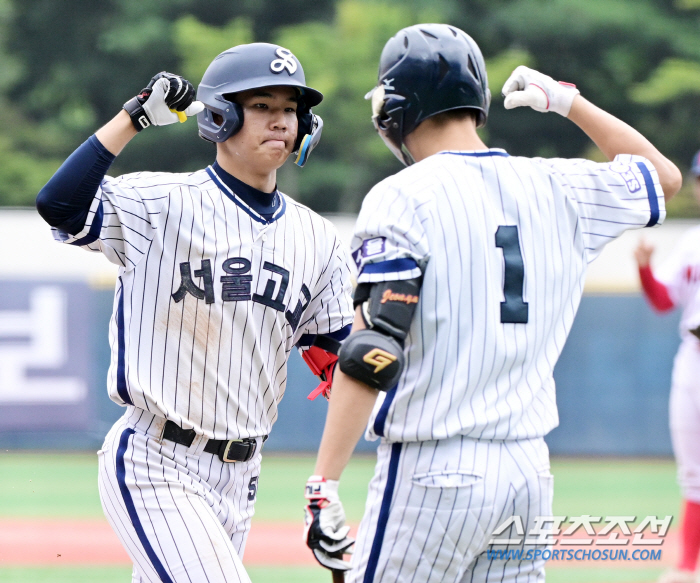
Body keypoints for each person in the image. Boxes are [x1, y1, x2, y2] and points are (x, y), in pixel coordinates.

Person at [302, 23, 682, 582]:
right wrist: (570, 103)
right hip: (528, 472)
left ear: (396, 111)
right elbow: (663, 177)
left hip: (434, 470)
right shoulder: (561, 184)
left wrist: (324, 481)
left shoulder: (402, 194)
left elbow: (372, 347)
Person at [35, 43, 354, 583]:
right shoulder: (162, 202)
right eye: (262, 105)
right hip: (158, 460)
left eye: (290, 108)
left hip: (243, 473)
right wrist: (130, 119)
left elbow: (340, 355)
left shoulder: (319, 239)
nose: (281, 120)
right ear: (219, 115)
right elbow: (60, 206)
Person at [634, 152, 700, 583]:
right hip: (694, 357)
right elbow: (663, 301)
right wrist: (642, 267)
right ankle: (686, 568)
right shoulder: (693, 240)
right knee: (694, 473)